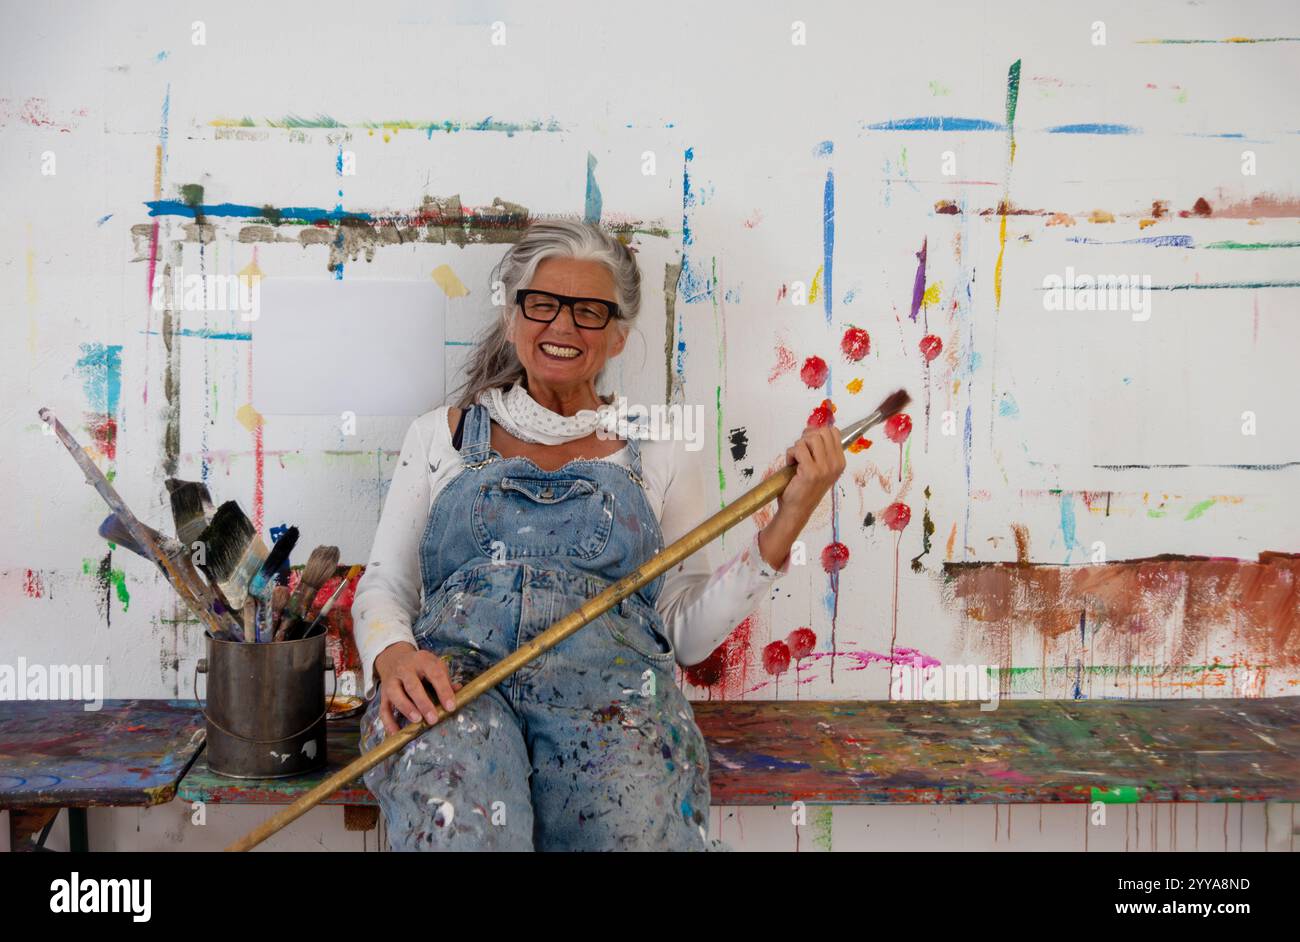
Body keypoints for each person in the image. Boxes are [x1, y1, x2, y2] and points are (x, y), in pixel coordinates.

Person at [351, 219, 846, 850]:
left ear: (617, 337)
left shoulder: (662, 448)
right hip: (456, 691)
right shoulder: (439, 436)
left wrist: (789, 521)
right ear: (512, 315)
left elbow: (686, 636)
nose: (561, 326)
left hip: (616, 701)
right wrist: (392, 657)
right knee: (463, 829)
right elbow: (387, 585)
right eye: (542, 304)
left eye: (588, 312)